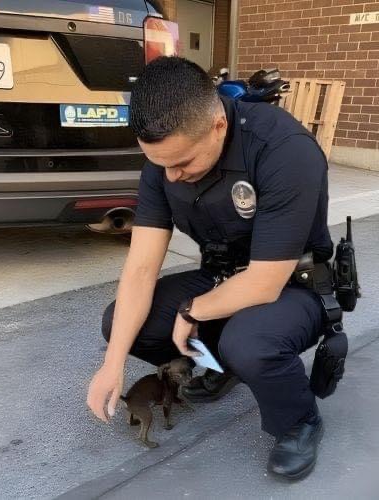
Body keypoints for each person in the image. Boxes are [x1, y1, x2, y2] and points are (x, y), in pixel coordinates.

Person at [87, 56, 334, 480]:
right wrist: (112, 365)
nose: (173, 175)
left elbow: (264, 283)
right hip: (223, 274)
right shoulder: (166, 163)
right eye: (162, 164)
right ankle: (227, 367)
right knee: (124, 324)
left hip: (293, 284)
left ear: (218, 124)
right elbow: (141, 269)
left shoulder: (283, 149)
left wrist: (191, 311)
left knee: (250, 341)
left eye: (183, 162)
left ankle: (298, 421)